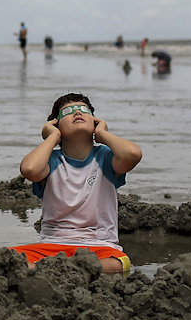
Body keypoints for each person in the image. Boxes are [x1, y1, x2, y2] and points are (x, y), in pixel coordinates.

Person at [14, 93, 142, 274]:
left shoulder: (104, 157)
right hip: (52, 245)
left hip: (99, 246)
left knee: (119, 263)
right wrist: (52, 138)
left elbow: (133, 154)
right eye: (68, 112)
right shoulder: (50, 160)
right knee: (8, 258)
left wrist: (103, 134)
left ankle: (50, 270)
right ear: (55, 125)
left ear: (95, 121)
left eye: (84, 110)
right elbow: (29, 169)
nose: (77, 113)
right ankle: (67, 269)